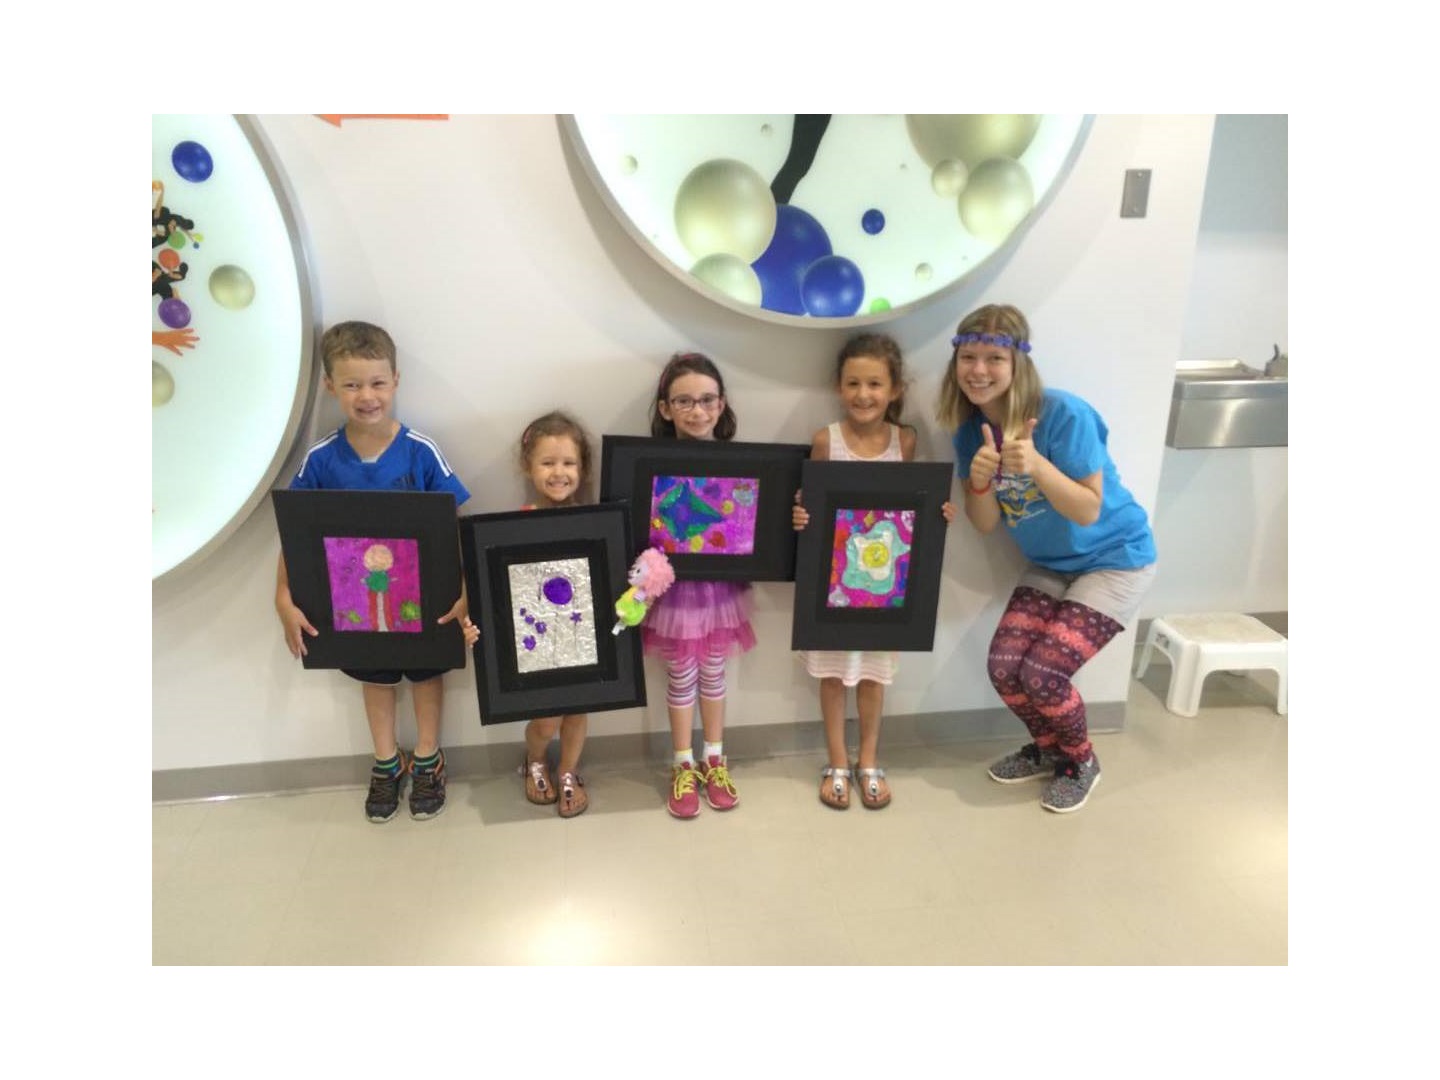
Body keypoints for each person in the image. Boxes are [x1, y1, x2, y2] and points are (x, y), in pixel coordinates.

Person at [940, 304, 1156, 813]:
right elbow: (986, 523)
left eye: (994, 358)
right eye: (968, 357)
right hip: (1052, 564)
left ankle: (1080, 762)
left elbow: (1087, 508)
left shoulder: (1064, 414)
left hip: (1115, 558)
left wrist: (1035, 464)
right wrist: (978, 481)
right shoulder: (969, 430)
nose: (978, 370)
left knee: (1043, 673)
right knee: (1004, 667)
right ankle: (1047, 750)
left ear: (1018, 363)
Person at [275, 320, 474, 824]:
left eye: (378, 382)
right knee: (374, 673)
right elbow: (296, 531)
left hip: (423, 598)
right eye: (352, 384)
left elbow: (453, 524)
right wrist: (283, 597)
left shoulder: (421, 451)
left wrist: (465, 589)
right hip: (356, 604)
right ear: (330, 386)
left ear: (396, 381)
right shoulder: (321, 460)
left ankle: (428, 758)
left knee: (426, 672)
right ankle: (387, 761)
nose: (367, 396)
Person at [792, 333, 955, 810]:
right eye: (853, 383)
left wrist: (937, 516)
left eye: (875, 384)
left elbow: (909, 508)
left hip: (886, 592)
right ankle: (836, 762)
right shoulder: (826, 441)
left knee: (873, 678)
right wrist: (801, 515)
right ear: (838, 387)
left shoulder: (905, 441)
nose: (863, 394)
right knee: (831, 676)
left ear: (895, 389)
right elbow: (812, 506)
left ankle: (868, 760)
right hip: (833, 589)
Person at [645, 352, 755, 818]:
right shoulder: (649, 465)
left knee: (714, 670)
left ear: (721, 404)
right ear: (665, 408)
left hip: (719, 589)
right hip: (675, 592)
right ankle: (682, 764)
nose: (697, 411)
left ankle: (714, 758)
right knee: (682, 674)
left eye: (707, 400)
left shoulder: (740, 465)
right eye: (684, 401)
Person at [514, 410, 595, 818]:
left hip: (580, 638)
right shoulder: (518, 524)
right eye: (547, 463)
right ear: (528, 467)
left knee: (577, 711)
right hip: (539, 642)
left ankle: (568, 771)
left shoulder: (594, 523)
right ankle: (534, 759)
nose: (559, 472)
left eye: (568, 463)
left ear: (582, 469)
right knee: (546, 721)